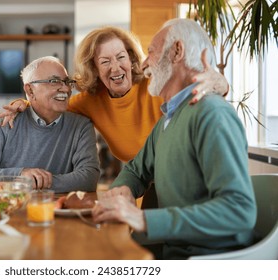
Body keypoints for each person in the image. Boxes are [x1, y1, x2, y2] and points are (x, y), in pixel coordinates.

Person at [91, 18, 257, 260]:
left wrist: (142, 218)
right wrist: (123, 191)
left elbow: (239, 210)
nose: (145, 63)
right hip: (171, 250)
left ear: (177, 51)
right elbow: (136, 171)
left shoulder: (212, 114)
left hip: (208, 259)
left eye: (151, 52)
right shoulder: (169, 118)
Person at [0, 26, 228, 164]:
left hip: (182, 182)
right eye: (105, 61)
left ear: (131, 59)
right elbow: (49, 104)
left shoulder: (157, 84)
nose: (115, 68)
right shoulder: (90, 101)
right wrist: (25, 103)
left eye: (120, 57)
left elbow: (203, 92)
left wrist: (221, 84)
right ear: (95, 69)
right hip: (139, 191)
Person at [0, 56, 100, 193]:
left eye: (67, 82)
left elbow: (88, 179)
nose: (66, 89)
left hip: (54, 215)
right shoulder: (6, 124)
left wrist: (32, 183)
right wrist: (19, 176)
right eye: (54, 81)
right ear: (30, 90)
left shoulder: (81, 127)